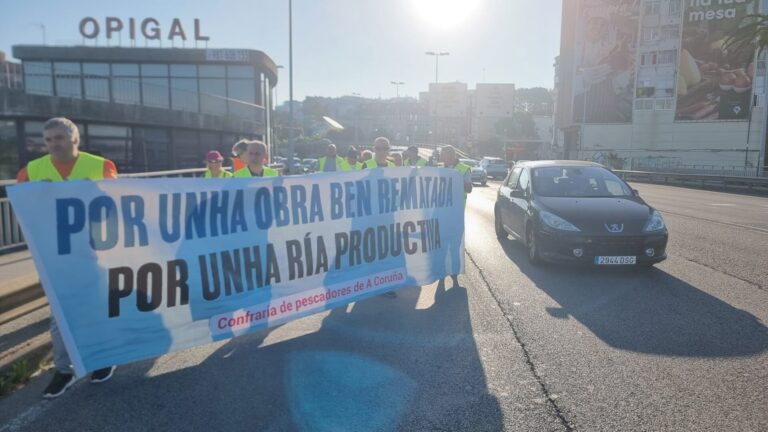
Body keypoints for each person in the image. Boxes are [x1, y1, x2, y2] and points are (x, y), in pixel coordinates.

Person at [16, 117, 118, 398]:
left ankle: (101, 358)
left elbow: (115, 204)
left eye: (58, 138)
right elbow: (25, 211)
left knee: (97, 307)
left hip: (93, 252)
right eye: (48, 139)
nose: (52, 144)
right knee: (60, 314)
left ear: (75, 139)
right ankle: (64, 369)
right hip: (54, 254)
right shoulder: (32, 171)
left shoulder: (100, 166)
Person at [440, 145, 473, 289]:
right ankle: (440, 272)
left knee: (454, 244)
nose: (444, 158)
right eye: (442, 155)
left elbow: (469, 189)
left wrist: (456, 179)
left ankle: (454, 274)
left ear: (452, 155)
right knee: (441, 244)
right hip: (441, 213)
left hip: (456, 213)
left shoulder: (464, 169)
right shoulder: (439, 169)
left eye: (446, 155)